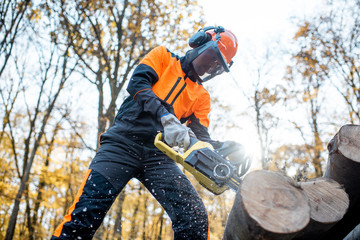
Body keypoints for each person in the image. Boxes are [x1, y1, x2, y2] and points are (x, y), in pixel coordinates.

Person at [51, 26, 238, 240]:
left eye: (217, 65)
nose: (210, 65)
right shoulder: (163, 56)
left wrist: (219, 147)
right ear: (199, 43)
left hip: (159, 157)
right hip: (121, 144)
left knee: (193, 216)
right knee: (86, 211)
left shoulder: (202, 97)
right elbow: (138, 83)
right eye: (211, 57)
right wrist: (165, 116)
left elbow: (200, 138)